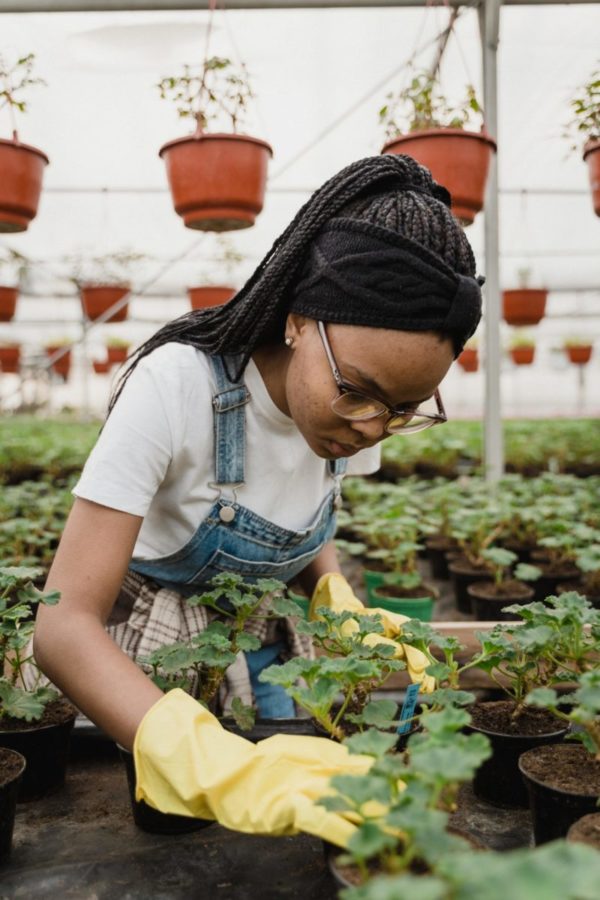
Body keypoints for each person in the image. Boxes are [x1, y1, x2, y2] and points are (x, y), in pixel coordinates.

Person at [33, 154, 482, 767]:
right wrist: (206, 765)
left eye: (402, 410)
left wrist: (331, 592)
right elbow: (62, 629)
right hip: (146, 672)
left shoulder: (354, 417)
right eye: (355, 391)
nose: (372, 429)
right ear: (298, 322)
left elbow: (305, 509)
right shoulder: (175, 387)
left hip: (267, 644)